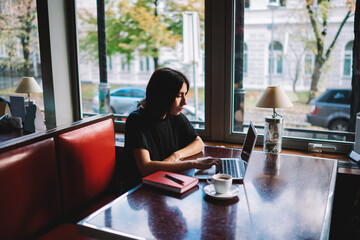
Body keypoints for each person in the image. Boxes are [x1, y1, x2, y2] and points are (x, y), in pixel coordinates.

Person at [123, 67, 220, 189]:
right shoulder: (136, 120)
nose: (184, 102)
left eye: (185, 95)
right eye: (179, 95)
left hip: (164, 181)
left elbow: (198, 143)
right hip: (140, 189)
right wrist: (193, 163)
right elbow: (146, 168)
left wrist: (176, 156)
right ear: (163, 96)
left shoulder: (174, 115)